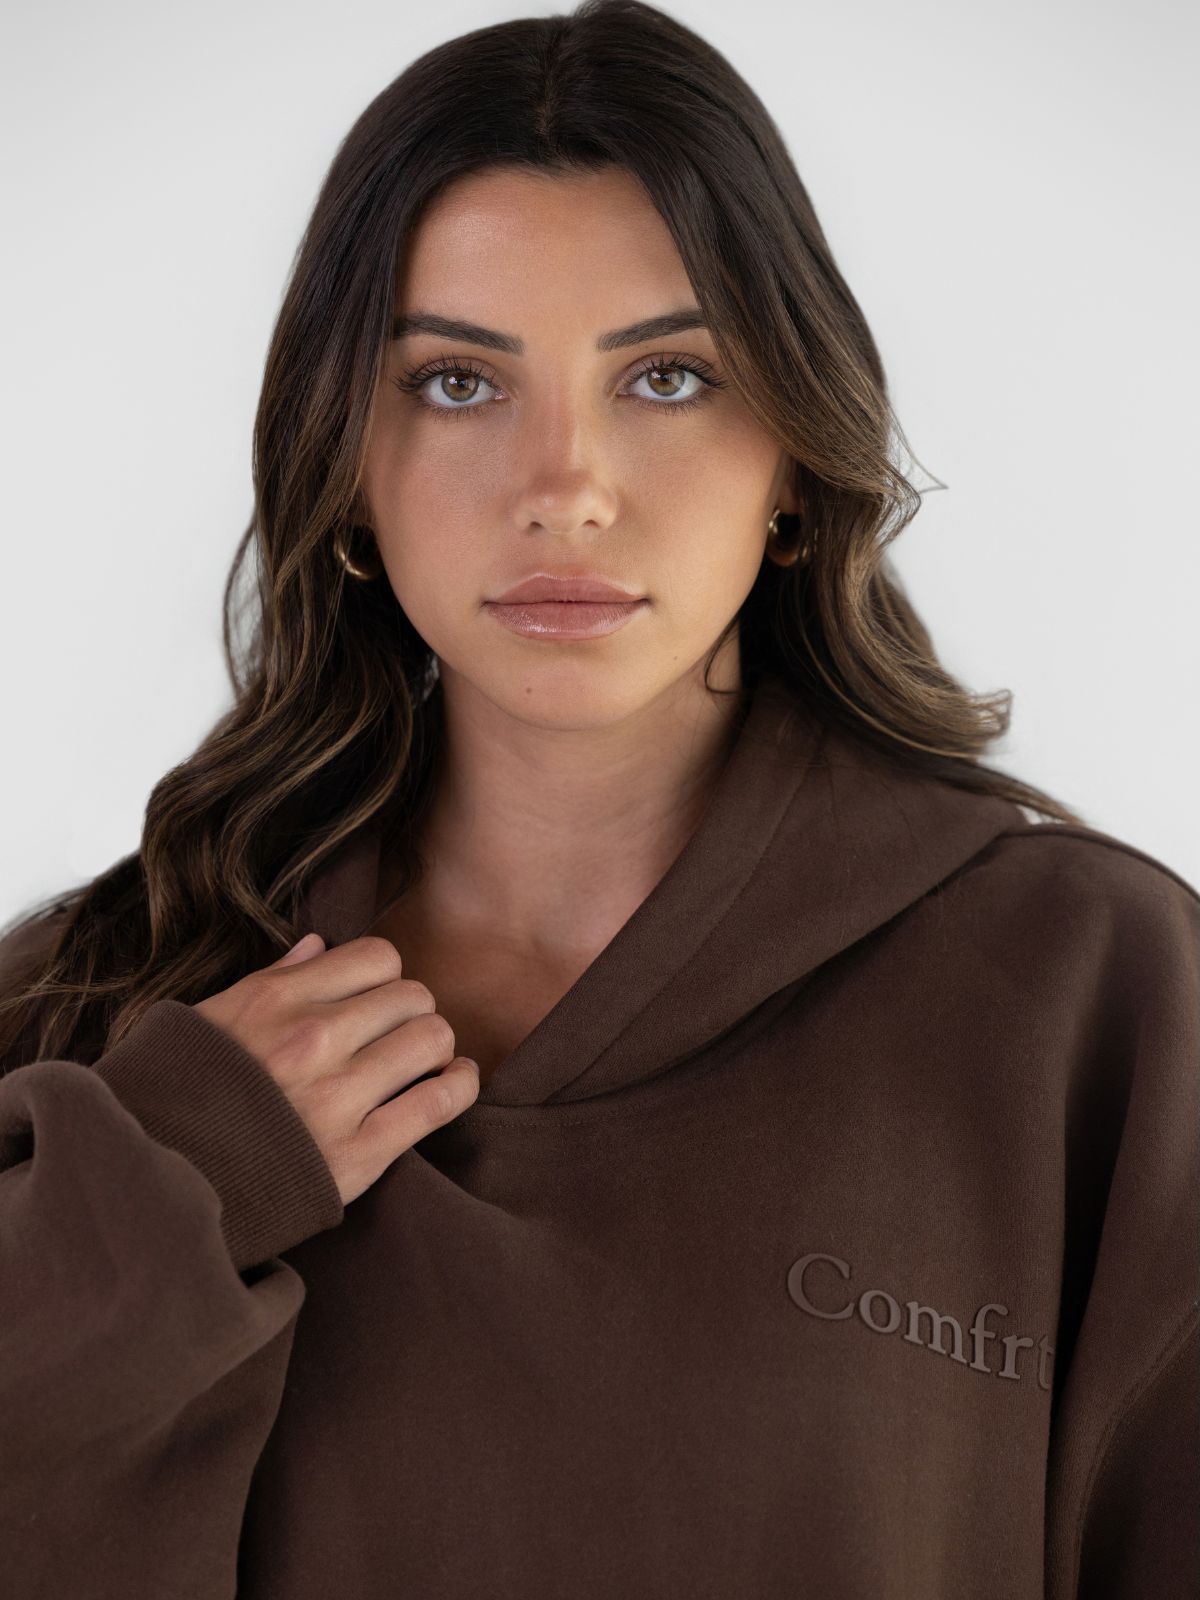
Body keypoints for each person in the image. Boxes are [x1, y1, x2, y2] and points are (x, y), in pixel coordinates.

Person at [1, 1, 1196, 1595]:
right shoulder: (98, 1018)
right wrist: (161, 1204)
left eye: (670, 377)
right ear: (343, 467)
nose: (564, 485)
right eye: (456, 384)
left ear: (796, 461)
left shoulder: (1087, 996)